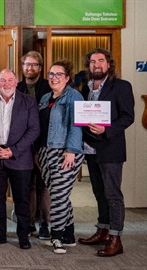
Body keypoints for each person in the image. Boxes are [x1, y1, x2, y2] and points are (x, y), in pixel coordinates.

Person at [78, 48, 135, 257]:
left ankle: (115, 238)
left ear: (108, 64)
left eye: (100, 61)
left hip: (110, 149)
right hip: (90, 149)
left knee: (113, 194)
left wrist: (106, 129)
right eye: (92, 62)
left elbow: (128, 117)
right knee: (99, 193)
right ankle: (102, 229)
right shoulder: (86, 89)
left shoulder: (121, 87)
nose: (96, 65)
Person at [0, 69, 40, 250]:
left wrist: (13, 151)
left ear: (16, 82)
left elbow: (34, 130)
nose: (6, 84)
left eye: (10, 80)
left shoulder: (28, 101)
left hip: (20, 158)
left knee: (22, 199)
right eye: (2, 81)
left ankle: (23, 235)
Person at [37, 60, 84, 254]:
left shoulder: (74, 96)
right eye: (51, 74)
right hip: (46, 151)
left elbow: (77, 124)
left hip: (66, 152)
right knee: (60, 193)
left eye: (59, 74)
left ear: (67, 78)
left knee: (58, 196)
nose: (54, 78)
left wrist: (71, 150)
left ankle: (57, 237)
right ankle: (69, 234)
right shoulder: (46, 97)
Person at [17, 51, 52, 240]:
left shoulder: (48, 87)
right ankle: (30, 223)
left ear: (40, 67)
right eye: (27, 65)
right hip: (23, 146)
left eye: (34, 65)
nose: (30, 68)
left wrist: (39, 148)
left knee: (44, 185)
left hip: (45, 144)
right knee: (28, 186)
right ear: (22, 67)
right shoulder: (18, 87)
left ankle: (45, 223)